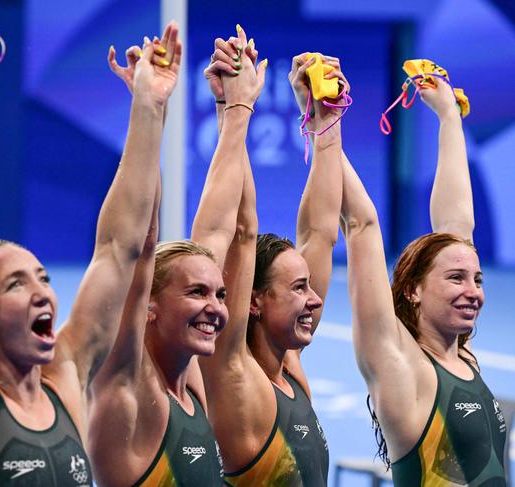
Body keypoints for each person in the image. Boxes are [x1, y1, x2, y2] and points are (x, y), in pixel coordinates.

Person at [0, 3, 180, 485]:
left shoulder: (65, 377)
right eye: (16, 284)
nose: (42, 290)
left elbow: (117, 248)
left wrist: (149, 106)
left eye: (41, 277)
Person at [88, 25, 265, 487]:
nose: (216, 308)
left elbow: (225, 230)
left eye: (219, 294)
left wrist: (233, 109)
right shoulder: (128, 388)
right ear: (148, 304)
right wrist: (150, 111)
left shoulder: (191, 385)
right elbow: (137, 245)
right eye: (196, 292)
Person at [337, 69, 507, 484]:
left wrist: (449, 117)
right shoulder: (399, 365)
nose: (473, 292)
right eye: (456, 280)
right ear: (413, 290)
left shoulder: (461, 356)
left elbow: (457, 231)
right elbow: (361, 224)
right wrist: (325, 123)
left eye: (478, 280)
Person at [194, 44, 346, 486]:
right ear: (254, 301)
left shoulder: (290, 369)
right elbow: (240, 232)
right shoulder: (233, 375)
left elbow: (321, 232)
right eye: (298, 288)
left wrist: (324, 121)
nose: (315, 299)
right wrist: (234, 109)